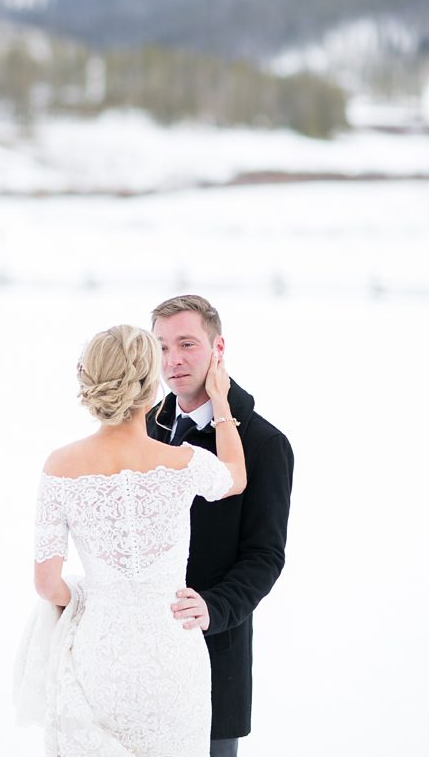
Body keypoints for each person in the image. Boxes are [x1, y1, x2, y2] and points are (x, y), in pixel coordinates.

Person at [30, 325, 246, 756]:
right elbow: (235, 478)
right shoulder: (184, 462)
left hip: (100, 655)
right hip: (173, 653)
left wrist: (91, 593)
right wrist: (221, 403)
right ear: (150, 387)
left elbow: (47, 585)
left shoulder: (59, 466)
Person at [148, 296, 294, 757]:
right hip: (140, 657)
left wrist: (214, 607)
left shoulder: (265, 443)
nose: (172, 360)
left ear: (218, 348)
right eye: (162, 346)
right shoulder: (145, 428)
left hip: (215, 657)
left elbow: (265, 555)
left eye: (187, 344)